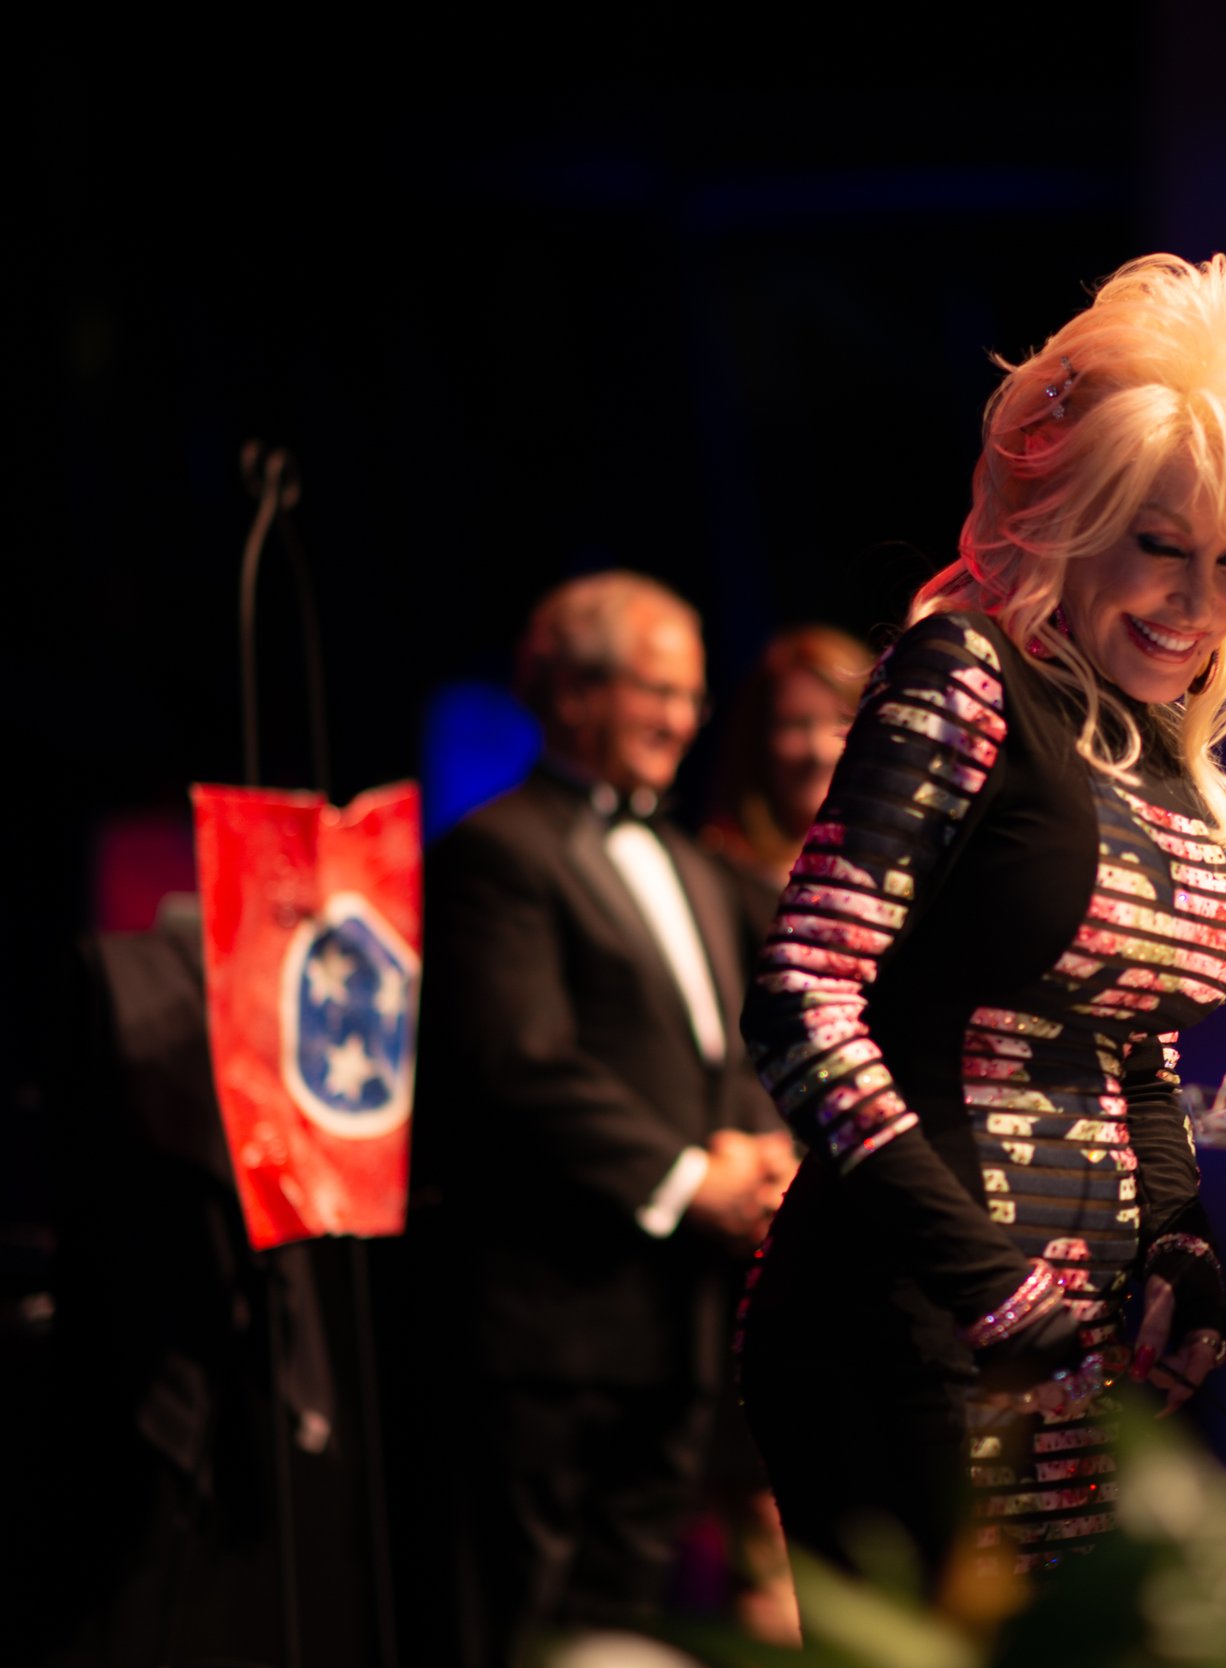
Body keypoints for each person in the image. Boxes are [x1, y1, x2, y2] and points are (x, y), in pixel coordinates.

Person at [735, 253, 1226, 1583]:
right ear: (1070, 519)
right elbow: (799, 1001)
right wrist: (986, 1283)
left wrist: (1180, 1246)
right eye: (1159, 547)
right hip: (907, 1335)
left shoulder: (1156, 743)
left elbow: (1135, 1052)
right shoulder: (965, 672)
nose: (1196, 605)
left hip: (1076, 1360)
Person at [413, 571, 796, 1663]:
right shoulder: (495, 852)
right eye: (655, 691)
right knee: (521, 1627)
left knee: (623, 1632)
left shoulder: (694, 863)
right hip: (551, 1328)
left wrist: (759, 1150)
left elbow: (729, 1046)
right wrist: (688, 1178)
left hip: (677, 1332)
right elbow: (519, 1065)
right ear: (573, 694)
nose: (682, 718)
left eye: (691, 695)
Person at [700, 623, 874, 913]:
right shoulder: (719, 874)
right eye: (794, 724)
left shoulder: (901, 861)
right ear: (758, 739)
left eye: (841, 721)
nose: (819, 751)